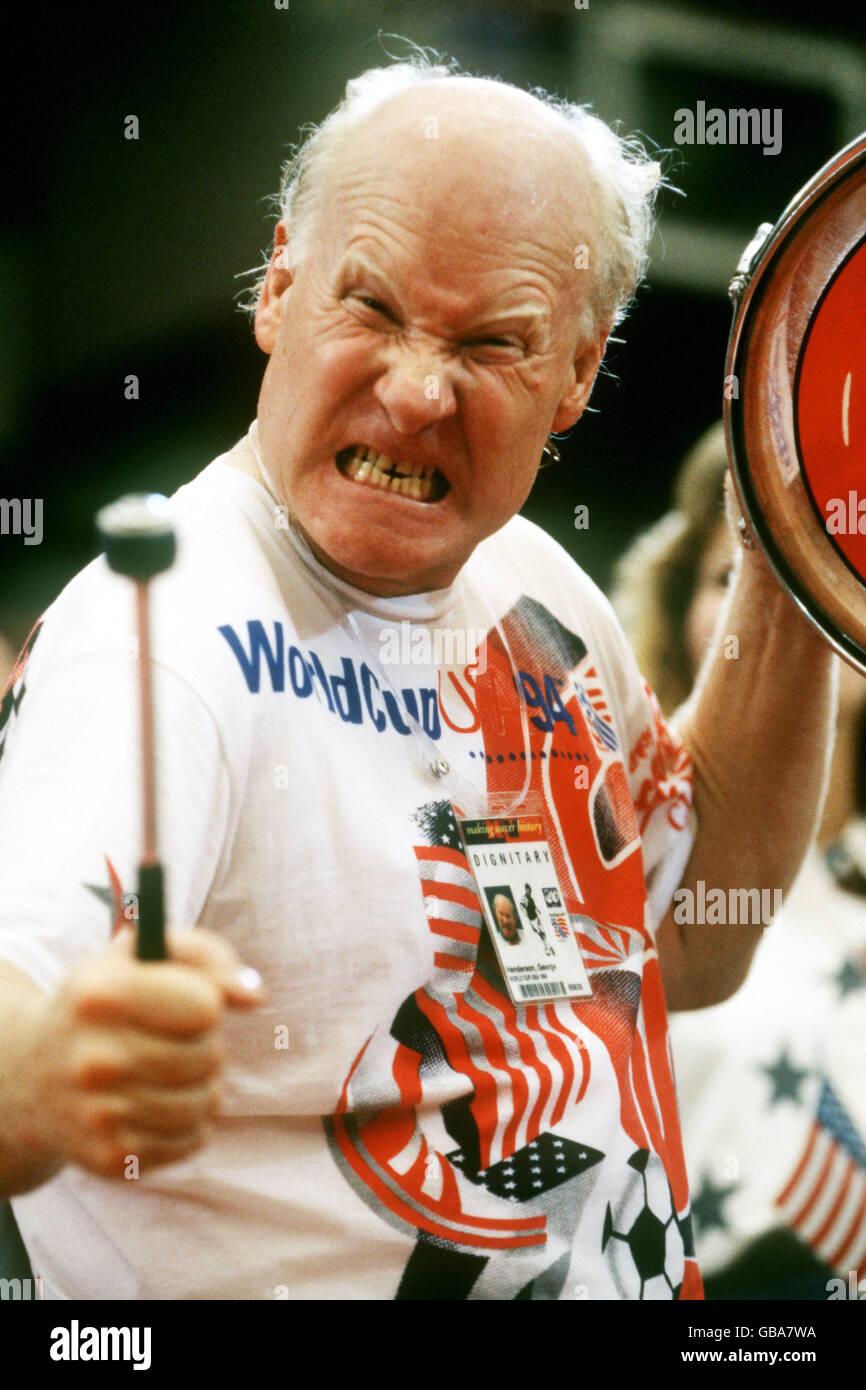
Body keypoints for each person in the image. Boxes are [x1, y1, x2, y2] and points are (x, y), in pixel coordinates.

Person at [0, 58, 835, 1301]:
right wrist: (45, 1072)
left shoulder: (536, 586)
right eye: (374, 310)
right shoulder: (167, 631)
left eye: (493, 343)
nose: (416, 390)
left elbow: (684, 936)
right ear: (278, 285)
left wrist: (798, 517)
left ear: (578, 374)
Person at [613, 421, 866, 1298]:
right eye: (741, 574)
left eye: (837, 552)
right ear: (681, 609)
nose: (802, 595)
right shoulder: (608, 855)